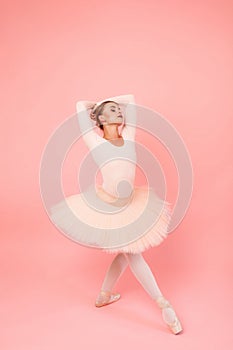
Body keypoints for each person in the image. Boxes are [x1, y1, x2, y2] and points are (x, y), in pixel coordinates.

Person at [49, 94, 183, 335]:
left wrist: (106, 105)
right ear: (99, 119)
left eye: (117, 109)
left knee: (126, 252)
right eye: (111, 110)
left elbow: (129, 99)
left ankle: (103, 295)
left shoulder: (128, 136)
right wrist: (98, 105)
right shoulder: (95, 142)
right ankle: (163, 303)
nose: (119, 111)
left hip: (132, 203)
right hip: (109, 207)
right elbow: (80, 106)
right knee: (133, 253)